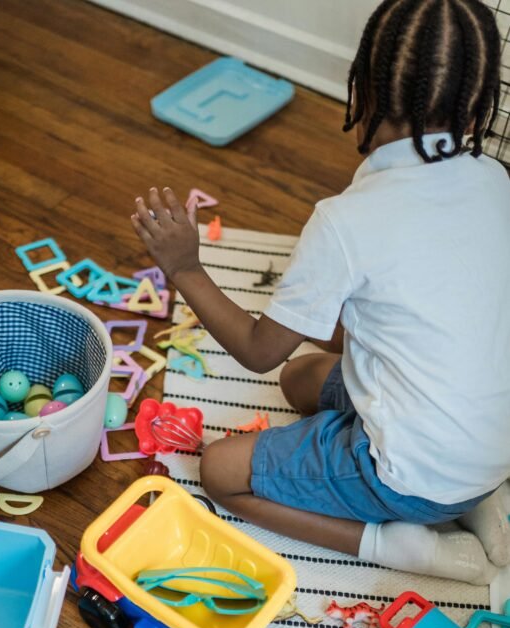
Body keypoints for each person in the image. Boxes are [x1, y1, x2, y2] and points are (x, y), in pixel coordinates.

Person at [130, 0, 510, 585]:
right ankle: (480, 498)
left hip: (412, 476)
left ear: (360, 88)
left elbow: (258, 351)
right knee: (300, 379)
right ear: (479, 100)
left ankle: (405, 548)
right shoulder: (494, 180)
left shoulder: (345, 222)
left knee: (220, 471)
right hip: (488, 445)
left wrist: (184, 268)